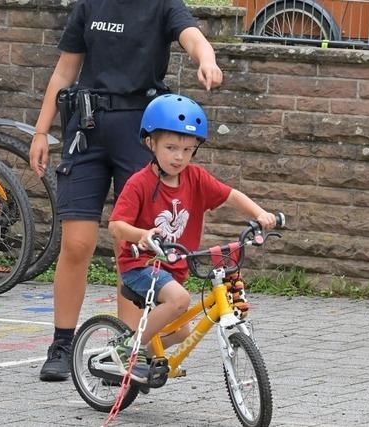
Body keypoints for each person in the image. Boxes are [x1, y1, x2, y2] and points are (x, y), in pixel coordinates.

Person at [29, 0, 223, 382]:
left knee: (133, 246)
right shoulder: (89, 5)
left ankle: (126, 350)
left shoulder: (163, 5)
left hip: (140, 134)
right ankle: (62, 344)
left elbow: (192, 36)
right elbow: (65, 70)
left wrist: (207, 58)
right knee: (77, 244)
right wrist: (41, 130)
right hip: (86, 130)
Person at [108, 94, 276, 382]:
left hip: (175, 266)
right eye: (171, 148)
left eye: (187, 149)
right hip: (141, 267)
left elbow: (230, 195)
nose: (179, 157)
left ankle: (144, 360)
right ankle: (126, 348)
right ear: (151, 143)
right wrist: (143, 235)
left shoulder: (195, 178)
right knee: (180, 300)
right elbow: (116, 225)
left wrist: (260, 213)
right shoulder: (140, 183)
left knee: (182, 330)